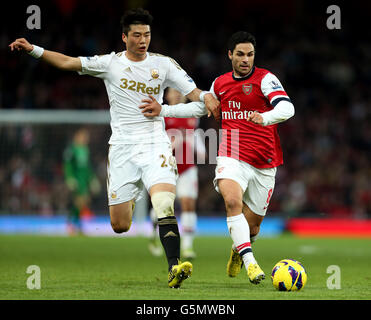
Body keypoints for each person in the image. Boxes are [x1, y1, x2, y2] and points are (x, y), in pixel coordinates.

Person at [9, 8, 220, 289]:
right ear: (124, 37)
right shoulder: (110, 64)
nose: (143, 40)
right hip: (122, 148)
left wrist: (206, 98)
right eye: (137, 35)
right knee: (120, 225)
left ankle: (174, 268)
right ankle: (130, 198)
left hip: (154, 142)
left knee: (164, 204)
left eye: (147, 34)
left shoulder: (165, 64)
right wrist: (33, 49)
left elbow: (195, 93)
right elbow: (67, 63)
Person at [139, 31, 295, 284]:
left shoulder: (266, 79)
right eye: (241, 54)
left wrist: (265, 117)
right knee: (232, 202)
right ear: (230, 55)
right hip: (231, 153)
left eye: (251, 54)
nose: (246, 59)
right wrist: (163, 110)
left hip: (265, 161)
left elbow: (288, 107)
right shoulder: (220, 84)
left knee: (253, 226)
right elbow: (199, 108)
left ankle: (238, 249)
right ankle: (251, 262)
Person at [148, 88, 206, 259]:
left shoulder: (192, 115)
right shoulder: (162, 115)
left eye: (180, 92)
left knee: (188, 204)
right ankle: (154, 235)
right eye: (174, 91)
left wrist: (200, 148)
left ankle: (187, 246)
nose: (177, 94)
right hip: (167, 167)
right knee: (164, 206)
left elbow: (194, 136)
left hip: (187, 167)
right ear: (167, 95)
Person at [63, 128, 100, 235]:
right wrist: (69, 178)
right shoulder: (71, 149)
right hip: (76, 179)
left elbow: (87, 167)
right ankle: (73, 225)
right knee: (80, 202)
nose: (85, 139)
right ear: (77, 136)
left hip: (84, 180)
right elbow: (68, 165)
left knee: (82, 203)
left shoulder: (85, 149)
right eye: (83, 136)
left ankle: (75, 225)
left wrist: (92, 179)